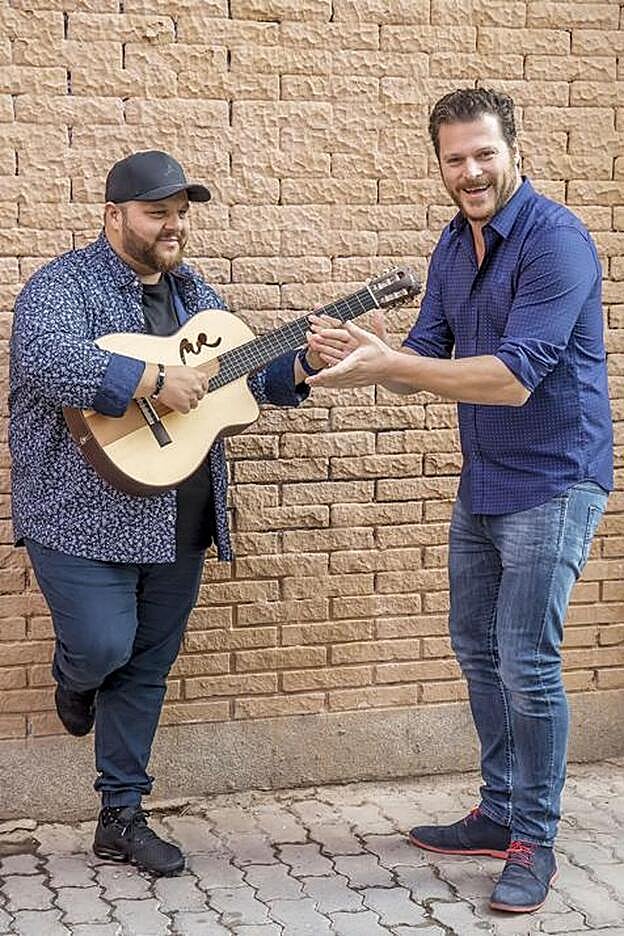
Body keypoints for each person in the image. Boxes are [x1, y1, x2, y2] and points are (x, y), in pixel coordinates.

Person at [306, 88, 613, 914]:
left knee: (526, 661)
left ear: (513, 149)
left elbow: (512, 380)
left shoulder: (557, 243)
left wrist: (392, 367)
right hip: (484, 479)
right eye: (454, 158)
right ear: (439, 163)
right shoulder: (452, 246)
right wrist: (359, 352)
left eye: (484, 153)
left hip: (554, 478)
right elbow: (424, 360)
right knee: (477, 651)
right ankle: (498, 809)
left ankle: (533, 842)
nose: (470, 171)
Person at [9, 150, 329, 876]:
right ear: (113, 215)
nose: (173, 226)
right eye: (158, 212)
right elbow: (46, 360)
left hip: (180, 510)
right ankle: (73, 676)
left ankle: (120, 815)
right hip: (79, 512)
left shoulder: (195, 294)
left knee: (146, 669)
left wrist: (303, 363)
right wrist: (153, 378)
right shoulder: (62, 286)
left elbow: (247, 375)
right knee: (100, 647)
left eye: (181, 213)